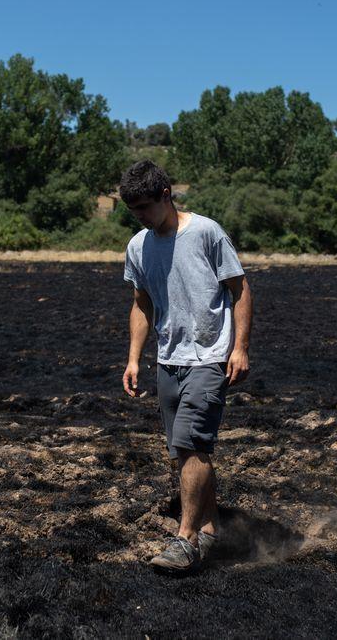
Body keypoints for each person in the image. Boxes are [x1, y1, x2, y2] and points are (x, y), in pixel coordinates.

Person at [119, 159, 253, 574]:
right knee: (182, 450)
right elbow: (142, 302)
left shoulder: (206, 232)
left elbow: (240, 288)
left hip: (209, 356)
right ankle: (211, 529)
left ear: (166, 195)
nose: (140, 216)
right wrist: (133, 359)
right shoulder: (138, 246)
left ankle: (186, 539)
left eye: (144, 206)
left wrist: (240, 348)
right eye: (133, 210)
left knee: (194, 443)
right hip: (168, 359)